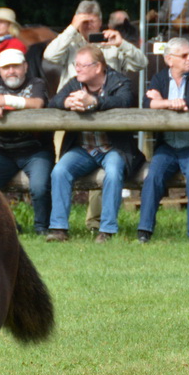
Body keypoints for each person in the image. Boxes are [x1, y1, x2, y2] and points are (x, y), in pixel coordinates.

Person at [46, 45, 140, 242]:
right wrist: (66, 103)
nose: (77, 69)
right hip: (83, 149)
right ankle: (58, 228)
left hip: (113, 148)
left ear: (98, 67)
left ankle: (107, 230)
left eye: (83, 65)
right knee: (59, 171)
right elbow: (54, 101)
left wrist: (94, 101)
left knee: (113, 172)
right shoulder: (75, 83)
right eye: (76, 65)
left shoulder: (120, 81)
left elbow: (124, 101)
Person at [139, 36, 189, 243]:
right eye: (184, 55)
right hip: (168, 146)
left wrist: (162, 102)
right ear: (169, 60)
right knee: (153, 176)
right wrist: (171, 103)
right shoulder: (159, 78)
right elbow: (146, 103)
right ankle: (144, 231)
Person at [0, 47, 53, 234]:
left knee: (39, 187)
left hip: (36, 151)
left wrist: (5, 101)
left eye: (16, 66)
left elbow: (37, 103)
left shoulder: (36, 83)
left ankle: (42, 227)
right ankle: (8, 224)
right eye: (6, 67)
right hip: (4, 152)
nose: (11, 71)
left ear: (25, 67)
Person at [44, 0, 147, 76]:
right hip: (74, 96)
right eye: (84, 22)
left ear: (100, 22)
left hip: (107, 97)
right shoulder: (70, 44)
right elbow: (49, 56)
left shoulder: (112, 44)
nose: (88, 26)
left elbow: (141, 64)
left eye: (92, 22)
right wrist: (72, 28)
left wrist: (122, 44)